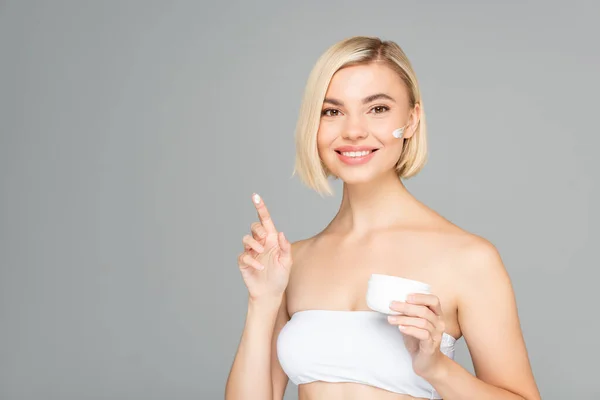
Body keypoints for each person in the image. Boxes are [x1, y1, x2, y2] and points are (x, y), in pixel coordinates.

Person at [225, 36, 541, 400]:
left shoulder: (469, 259)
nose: (354, 130)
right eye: (332, 111)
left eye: (377, 109)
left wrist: (436, 368)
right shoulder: (291, 263)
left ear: (411, 120)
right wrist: (262, 301)